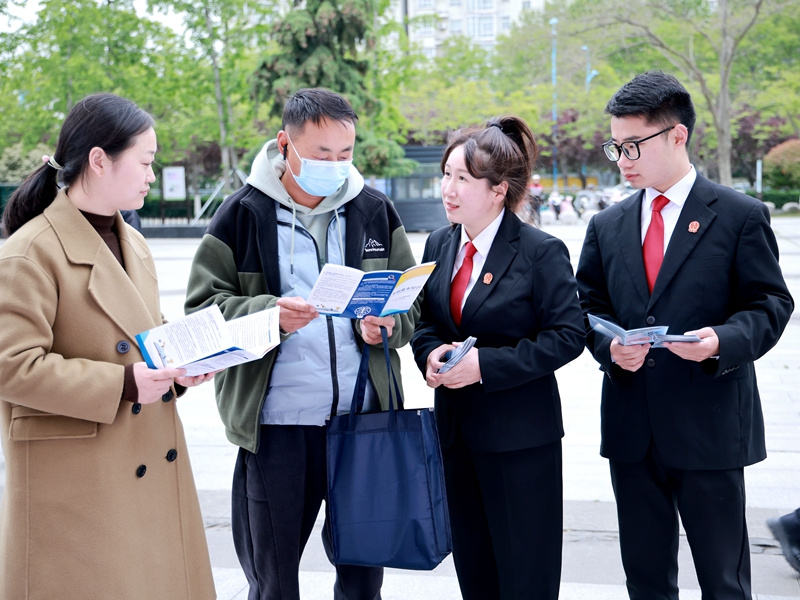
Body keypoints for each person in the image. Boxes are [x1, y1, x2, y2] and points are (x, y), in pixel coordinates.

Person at [184, 88, 420, 600]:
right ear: (284, 145)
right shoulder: (241, 215)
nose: (334, 166)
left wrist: (385, 326)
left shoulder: (375, 211)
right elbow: (203, 312)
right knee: (273, 582)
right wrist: (268, 314)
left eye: (344, 154)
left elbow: (410, 305)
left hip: (362, 424)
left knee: (362, 580)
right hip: (277, 427)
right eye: (320, 155)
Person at [575, 71, 794, 600]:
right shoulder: (608, 224)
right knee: (646, 581)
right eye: (615, 145)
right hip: (632, 429)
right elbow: (586, 306)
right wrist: (609, 349)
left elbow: (770, 304)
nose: (622, 158)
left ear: (678, 136)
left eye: (633, 145)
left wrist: (721, 340)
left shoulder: (739, 216)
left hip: (710, 425)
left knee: (724, 581)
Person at [0, 93, 216, 599]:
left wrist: (182, 367)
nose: (151, 175)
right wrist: (123, 382)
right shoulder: (30, 252)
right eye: (144, 162)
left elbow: (146, 333)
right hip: (78, 480)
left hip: (140, 461)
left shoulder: (132, 240)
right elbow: (12, 366)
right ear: (99, 160)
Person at [411, 116, 585, 600]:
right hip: (456, 435)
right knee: (476, 570)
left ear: (498, 190)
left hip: (520, 442)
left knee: (525, 574)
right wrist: (430, 353)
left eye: (462, 179)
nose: (448, 189)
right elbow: (427, 322)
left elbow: (568, 335)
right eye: (446, 175)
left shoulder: (539, 251)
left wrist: (485, 365)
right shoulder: (439, 243)